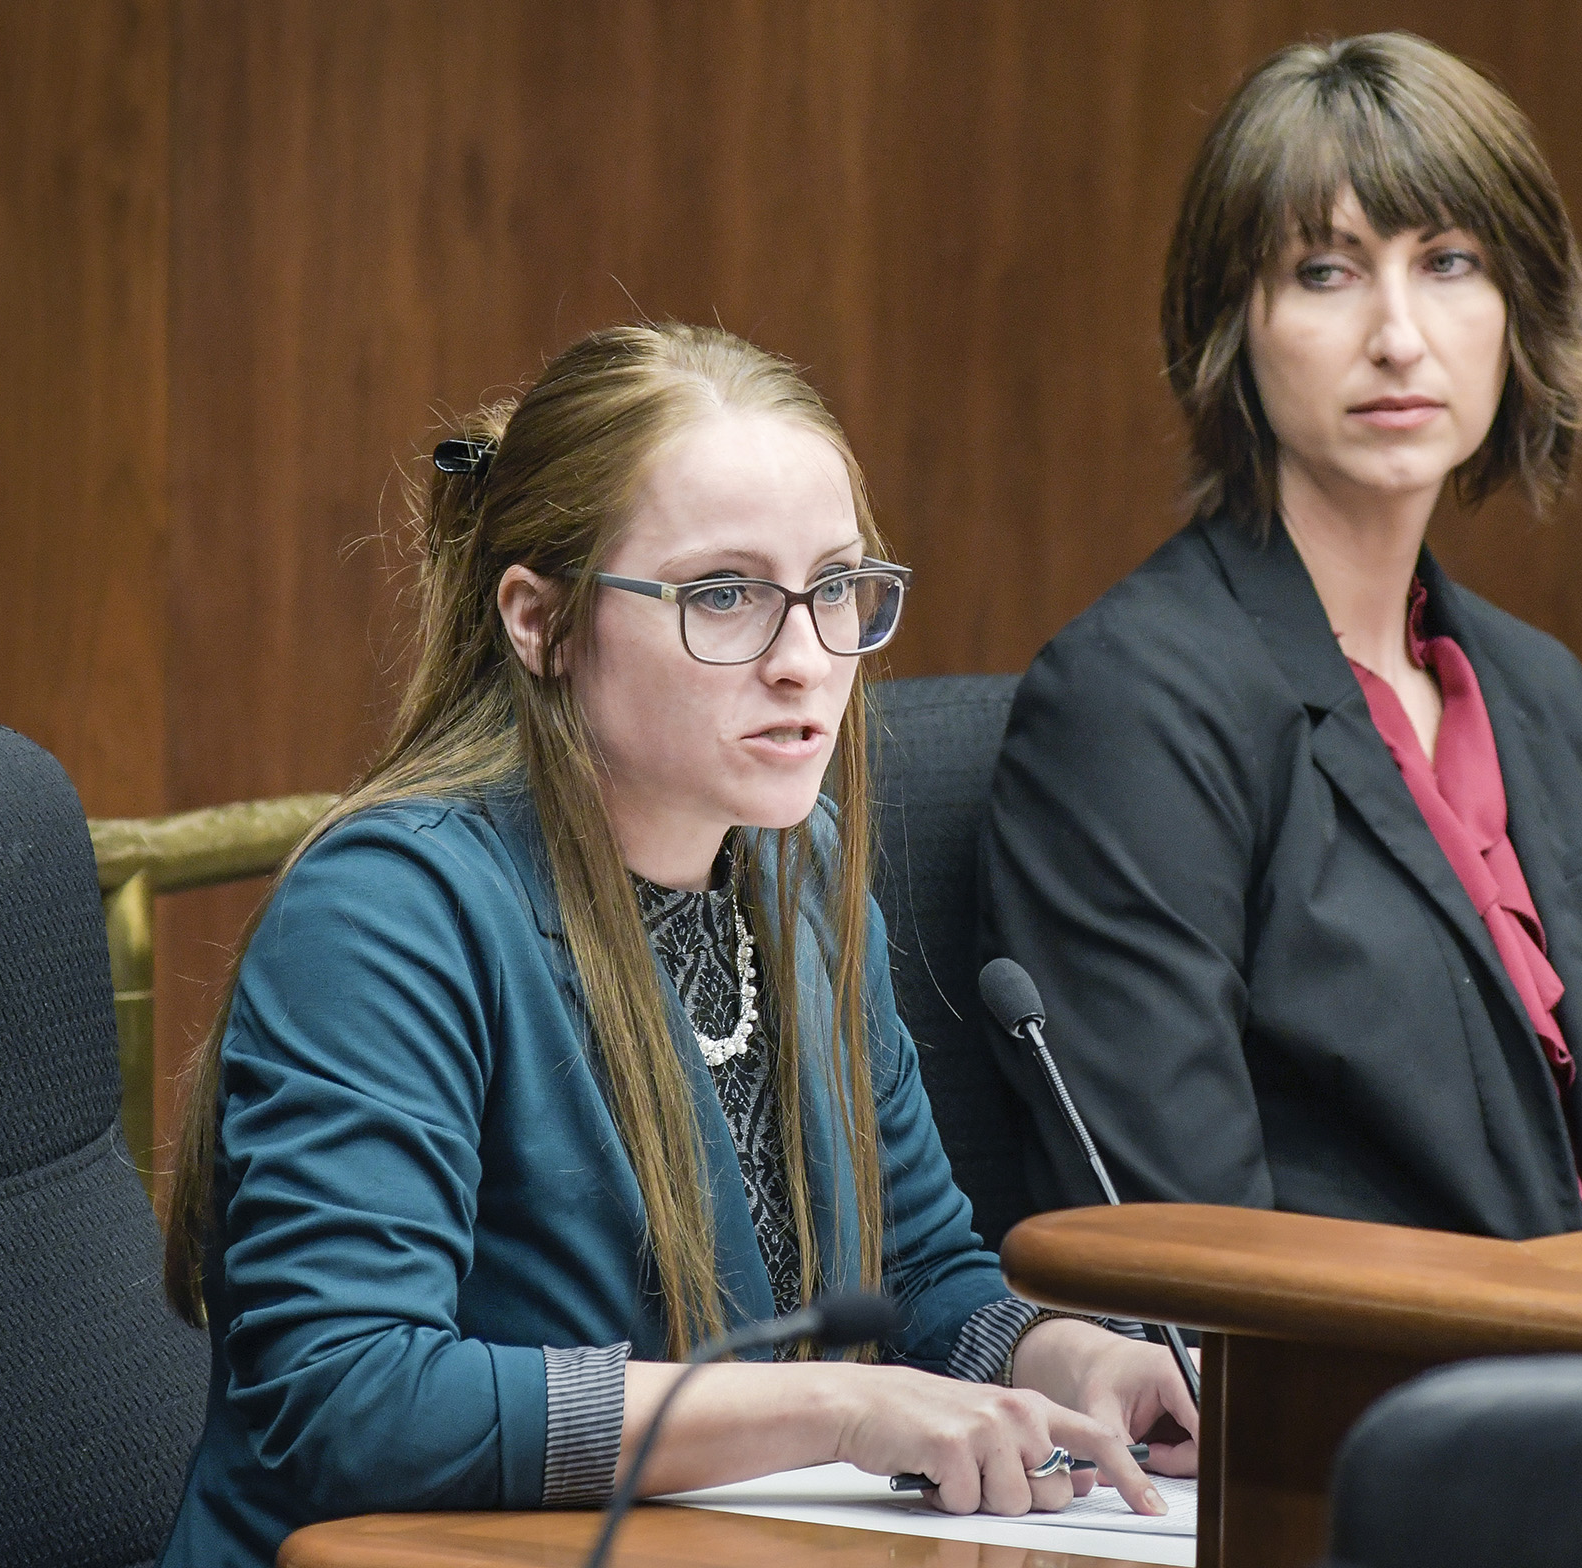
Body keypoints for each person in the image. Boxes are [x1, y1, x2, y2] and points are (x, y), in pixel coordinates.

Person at [157, 324, 1195, 1568]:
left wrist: (1060, 1353)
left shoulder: (800, 878)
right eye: (724, 596)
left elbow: (919, 1271)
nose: (806, 661)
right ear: (541, 623)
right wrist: (835, 1406)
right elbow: (350, 1399)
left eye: (836, 587)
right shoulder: (388, 912)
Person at [979, 34, 1582, 1241]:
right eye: (1325, 272)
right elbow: (1187, 1256)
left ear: (1519, 310)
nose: (1400, 334)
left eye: (1451, 261)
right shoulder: (1135, 703)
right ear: (1229, 326)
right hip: (1353, 1410)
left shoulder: (1533, 688)